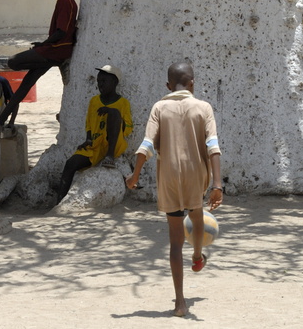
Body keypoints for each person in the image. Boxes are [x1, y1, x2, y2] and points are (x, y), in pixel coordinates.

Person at [125, 62, 223, 318]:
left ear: (168, 86)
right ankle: (199, 255)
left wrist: (134, 175)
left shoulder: (160, 107)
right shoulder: (203, 108)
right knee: (197, 212)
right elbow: (213, 146)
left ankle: (180, 303)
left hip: (168, 177)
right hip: (195, 176)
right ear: (192, 83)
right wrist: (217, 185)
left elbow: (146, 144)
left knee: (175, 242)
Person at [0, 0, 77, 130]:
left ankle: (48, 62)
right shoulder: (64, 0)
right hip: (54, 49)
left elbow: (62, 32)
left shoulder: (65, 1)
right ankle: (1, 120)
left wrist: (43, 44)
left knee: (13, 62)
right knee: (26, 84)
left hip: (56, 50)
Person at [56, 65, 132, 203]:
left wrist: (110, 112)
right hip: (96, 145)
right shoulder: (94, 101)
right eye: (99, 81)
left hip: (113, 144)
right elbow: (89, 123)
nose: (100, 84)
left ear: (114, 83)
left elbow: (127, 128)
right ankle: (59, 201)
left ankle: (109, 156)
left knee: (115, 112)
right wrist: (88, 139)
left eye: (104, 81)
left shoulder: (123, 103)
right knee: (70, 163)